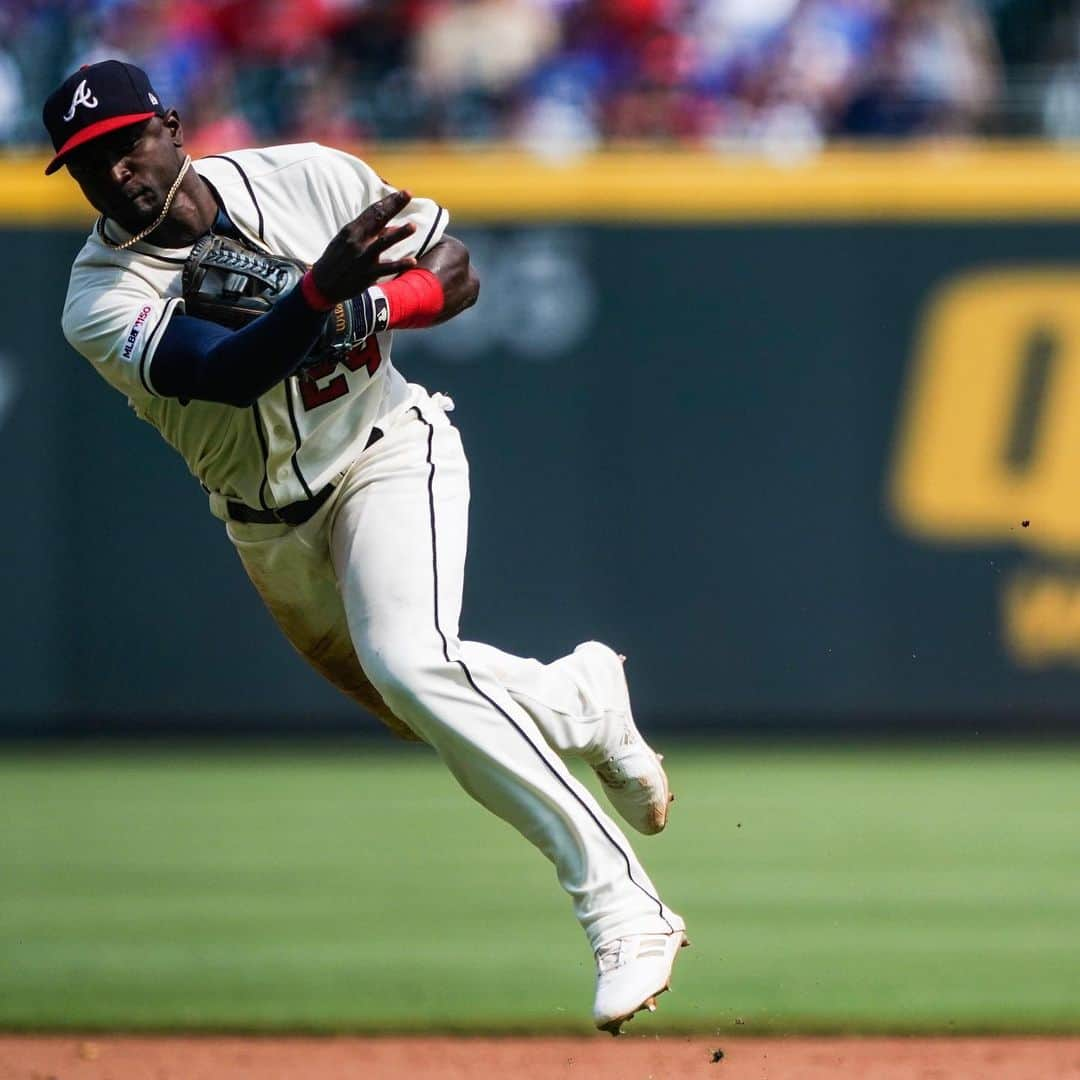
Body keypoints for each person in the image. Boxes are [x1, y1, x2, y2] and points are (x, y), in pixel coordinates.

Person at [43, 59, 687, 1034]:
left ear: (172, 126)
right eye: (89, 164)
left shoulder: (308, 177)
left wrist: (372, 304)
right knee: (419, 699)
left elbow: (457, 269)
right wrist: (316, 294)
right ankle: (578, 699)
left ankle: (623, 907)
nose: (118, 175)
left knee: (410, 662)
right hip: (268, 526)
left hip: (389, 453)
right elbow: (221, 373)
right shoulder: (99, 297)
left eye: (127, 143)